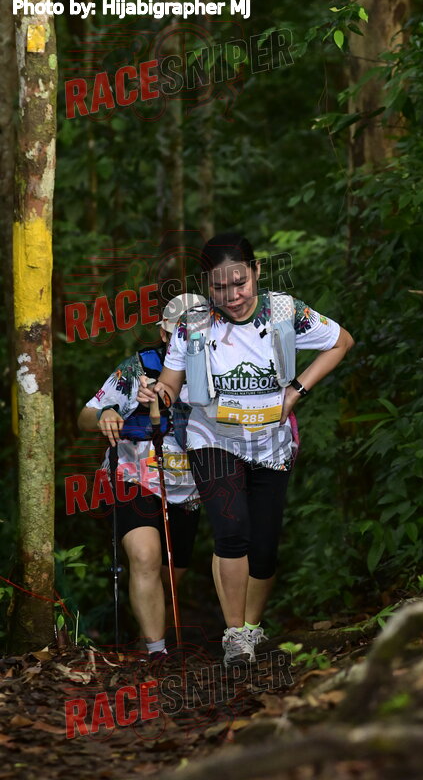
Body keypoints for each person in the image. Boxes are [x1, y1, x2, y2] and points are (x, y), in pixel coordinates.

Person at [137, 233, 354, 666]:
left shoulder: (285, 313)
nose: (232, 296)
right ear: (207, 285)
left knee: (264, 546)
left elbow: (341, 342)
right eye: (220, 287)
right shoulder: (194, 324)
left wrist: (296, 391)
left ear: (256, 272)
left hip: (270, 442)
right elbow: (171, 384)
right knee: (231, 530)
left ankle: (252, 627)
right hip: (212, 437)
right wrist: (155, 393)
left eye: (240, 283)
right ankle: (235, 635)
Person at [78, 299, 200, 661]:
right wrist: (106, 412)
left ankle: (145, 636)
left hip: (188, 489)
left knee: (169, 576)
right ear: (164, 334)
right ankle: (156, 654)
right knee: (145, 556)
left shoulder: (221, 368)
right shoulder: (138, 369)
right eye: (179, 334)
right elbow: (85, 416)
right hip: (134, 475)